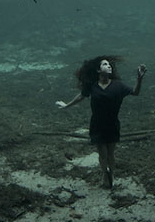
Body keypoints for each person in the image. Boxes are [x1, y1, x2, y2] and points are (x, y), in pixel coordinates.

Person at [56, 55, 146, 188]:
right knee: (102, 154)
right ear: (98, 71)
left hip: (113, 125)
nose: (108, 66)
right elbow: (81, 96)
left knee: (111, 154)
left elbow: (135, 92)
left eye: (109, 65)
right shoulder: (92, 86)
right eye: (105, 64)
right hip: (97, 125)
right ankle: (105, 175)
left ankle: (111, 176)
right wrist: (66, 105)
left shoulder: (118, 85)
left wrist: (139, 78)